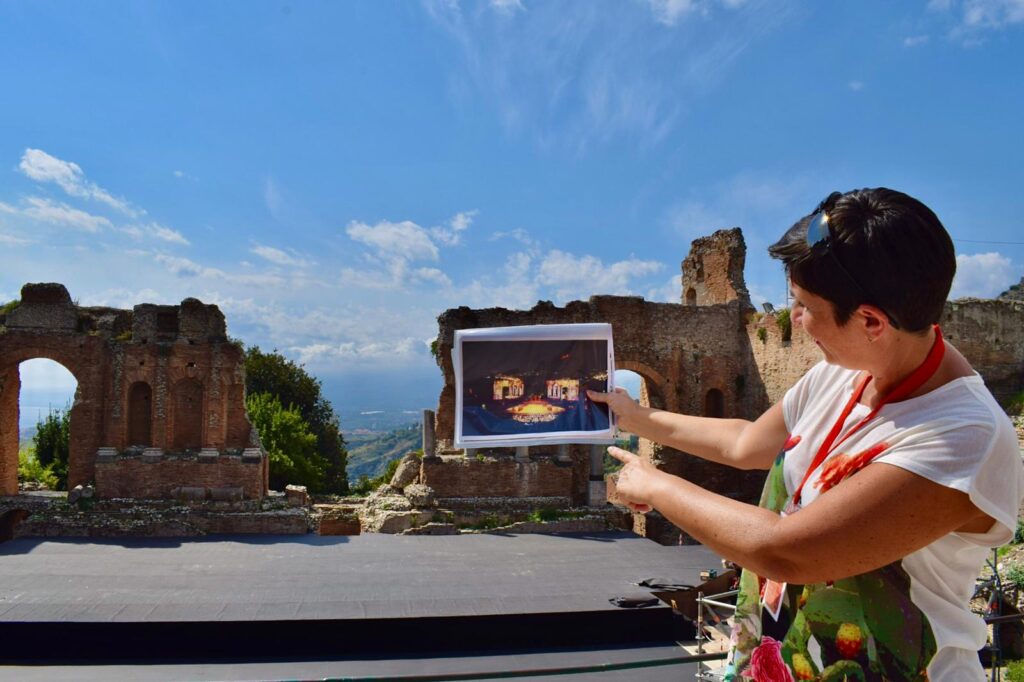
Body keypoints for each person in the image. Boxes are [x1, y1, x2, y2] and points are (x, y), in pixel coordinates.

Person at [588, 188, 1023, 682]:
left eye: (802, 305)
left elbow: (789, 551)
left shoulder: (962, 434)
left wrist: (657, 486)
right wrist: (634, 417)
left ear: (871, 321)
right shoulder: (845, 371)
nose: (793, 320)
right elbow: (745, 443)